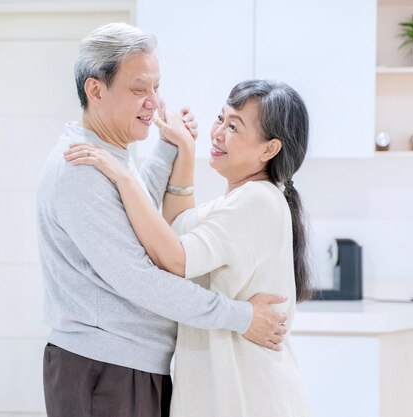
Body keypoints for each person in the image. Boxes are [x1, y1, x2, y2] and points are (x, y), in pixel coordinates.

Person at [36, 23, 288, 417]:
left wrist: (169, 148)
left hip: (124, 364)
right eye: (139, 90)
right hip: (106, 368)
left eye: (156, 87)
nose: (154, 102)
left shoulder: (109, 151)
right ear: (96, 90)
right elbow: (142, 276)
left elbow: (139, 214)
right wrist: (242, 317)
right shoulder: (81, 168)